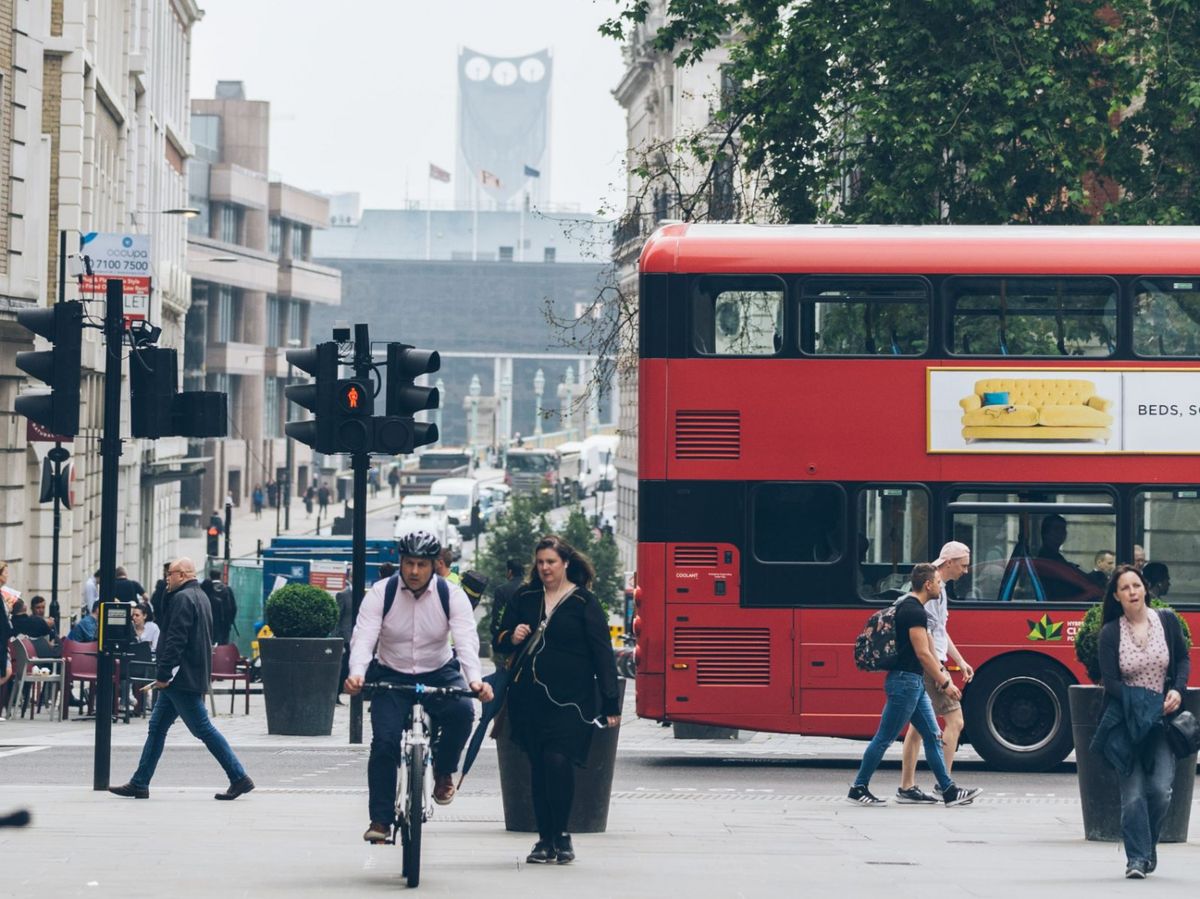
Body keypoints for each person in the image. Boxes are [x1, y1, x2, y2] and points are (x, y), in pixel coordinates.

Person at [344, 531, 491, 843]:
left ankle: (443, 771)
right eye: (408, 563)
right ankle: (381, 820)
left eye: (421, 564)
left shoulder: (450, 595)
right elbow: (364, 637)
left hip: (439, 670)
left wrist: (475, 680)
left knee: (464, 712)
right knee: (384, 743)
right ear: (400, 562)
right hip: (391, 673)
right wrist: (357, 673)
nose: (413, 571)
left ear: (434, 565)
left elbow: (465, 639)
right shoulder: (381, 594)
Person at [493, 535, 621, 865]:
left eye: (551, 561)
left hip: (571, 702)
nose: (545, 567)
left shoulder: (583, 603)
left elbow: (602, 654)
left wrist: (610, 703)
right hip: (530, 700)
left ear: (565, 563)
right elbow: (500, 638)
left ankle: (561, 835)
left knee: (558, 762)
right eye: (540, 562)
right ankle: (544, 840)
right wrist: (513, 635)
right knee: (538, 767)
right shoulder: (526, 597)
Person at [109, 557, 254, 801]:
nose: (167, 578)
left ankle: (238, 777)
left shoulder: (182, 599)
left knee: (203, 729)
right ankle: (140, 782)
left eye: (171, 573)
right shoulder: (200, 597)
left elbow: (176, 639)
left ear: (184, 574)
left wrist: (164, 674)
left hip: (180, 677)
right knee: (157, 728)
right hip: (190, 673)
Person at [846, 563, 982, 808]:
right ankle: (859, 786)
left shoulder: (906, 605)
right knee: (884, 738)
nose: (941, 587)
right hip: (905, 683)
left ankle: (949, 791)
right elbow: (923, 654)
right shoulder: (914, 611)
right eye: (938, 583)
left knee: (932, 735)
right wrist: (945, 682)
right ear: (928, 584)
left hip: (912, 682)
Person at [1092, 565, 1189, 879]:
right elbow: (1111, 683)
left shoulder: (1167, 620)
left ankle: (1148, 846)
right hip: (1126, 722)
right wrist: (1144, 704)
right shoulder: (1110, 633)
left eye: (1136, 585)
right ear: (1117, 596)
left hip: (1162, 721)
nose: (1132, 591)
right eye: (1125, 588)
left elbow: (1183, 658)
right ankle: (1136, 859)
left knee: (1161, 791)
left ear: (1145, 589)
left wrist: (1176, 690)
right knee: (1133, 795)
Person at [897, 543, 975, 803]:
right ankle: (945, 785)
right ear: (949, 562)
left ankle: (907, 787)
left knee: (917, 728)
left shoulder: (938, 588)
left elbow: (940, 630)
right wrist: (942, 674)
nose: (966, 570)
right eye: (963, 565)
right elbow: (927, 634)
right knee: (955, 721)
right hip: (932, 664)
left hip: (934, 661)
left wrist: (960, 660)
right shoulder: (932, 588)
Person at [488, 559, 525, 662]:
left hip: (506, 639)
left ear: (510, 572)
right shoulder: (529, 589)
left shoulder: (502, 590)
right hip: (525, 639)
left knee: (502, 671)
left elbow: (497, 616)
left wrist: (496, 635)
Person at [201, 570, 238, 646]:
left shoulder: (207, 588)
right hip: (225, 625)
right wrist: (230, 622)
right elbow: (234, 607)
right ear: (220, 576)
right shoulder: (227, 589)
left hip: (209, 624)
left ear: (210, 576)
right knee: (223, 646)